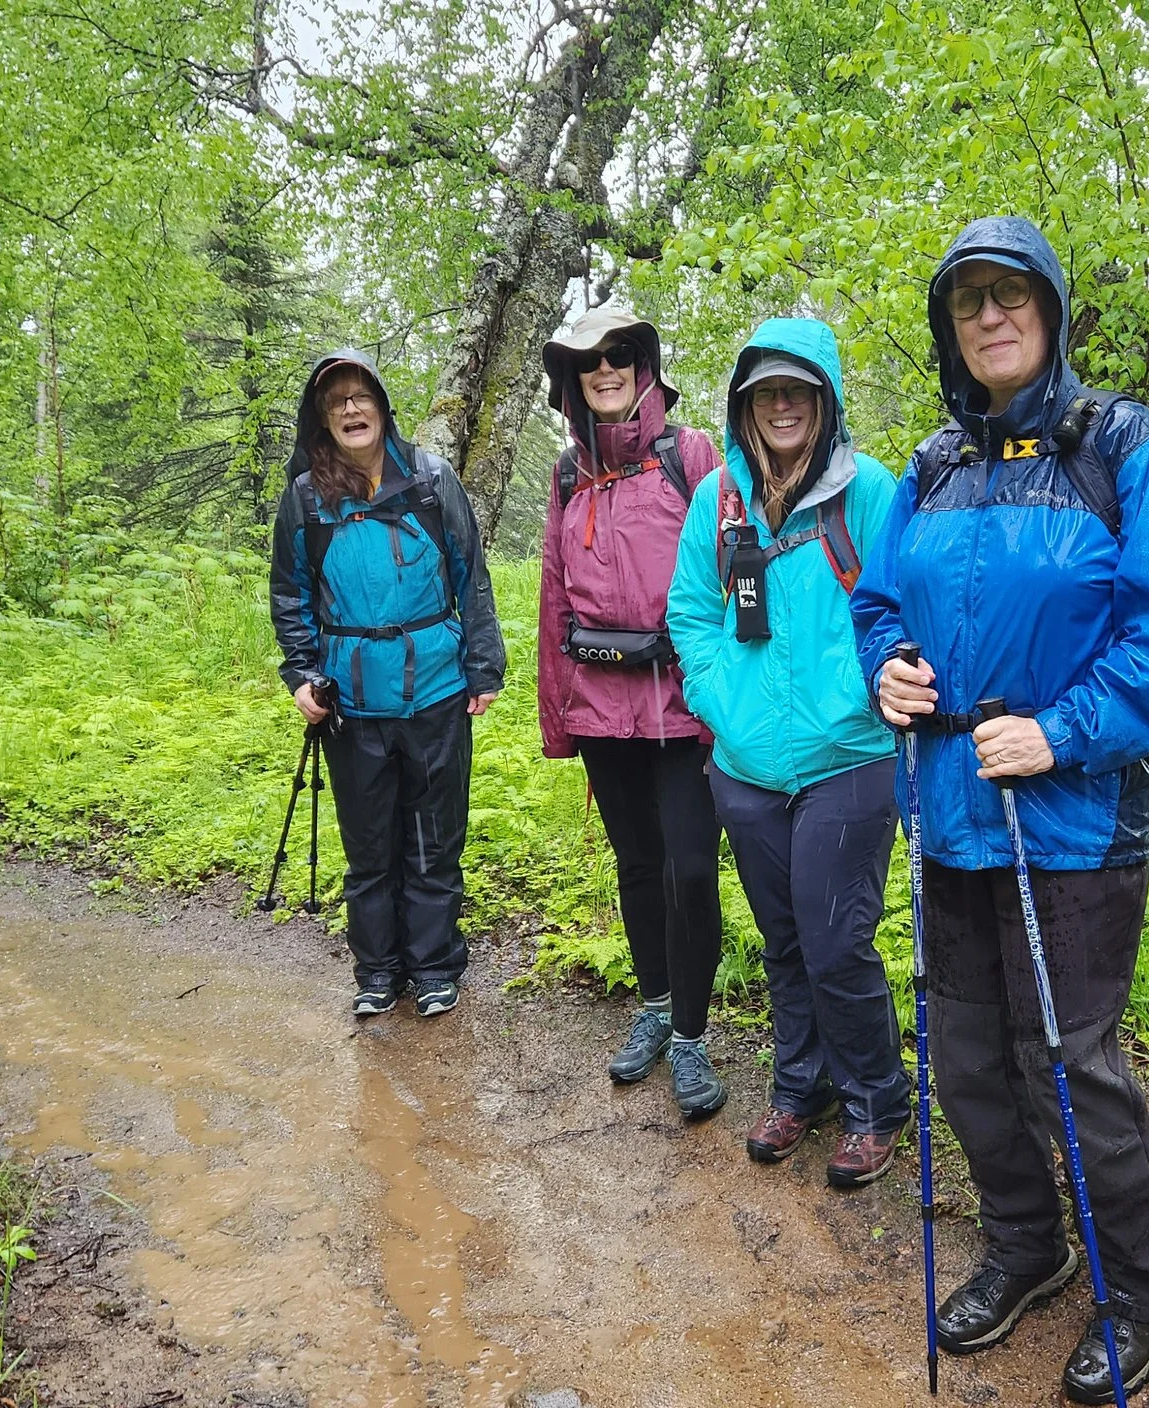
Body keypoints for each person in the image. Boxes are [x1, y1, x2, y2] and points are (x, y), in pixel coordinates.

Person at [854, 216, 1149, 1403]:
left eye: (1012, 295)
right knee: (964, 1061)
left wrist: (1061, 731)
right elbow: (881, 604)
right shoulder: (930, 466)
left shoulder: (1121, 443)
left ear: (1051, 310)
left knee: (1070, 1063)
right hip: (948, 809)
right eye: (969, 303)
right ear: (948, 330)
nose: (991, 316)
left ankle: (1139, 1295)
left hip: (1073, 821)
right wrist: (889, 665)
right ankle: (1026, 1245)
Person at [664, 317, 909, 1189]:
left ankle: (879, 1096)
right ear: (743, 406)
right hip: (746, 766)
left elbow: (904, 607)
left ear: (826, 400)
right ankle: (801, 1087)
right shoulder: (716, 503)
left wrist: (869, 690)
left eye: (798, 391)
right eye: (766, 392)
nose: (781, 406)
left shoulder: (870, 493)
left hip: (850, 756)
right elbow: (691, 611)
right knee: (784, 941)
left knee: (836, 940)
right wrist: (717, 699)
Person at [270, 349, 504, 1021]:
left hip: (434, 690)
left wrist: (483, 665)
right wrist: (302, 672)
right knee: (370, 847)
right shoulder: (307, 499)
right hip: (351, 701)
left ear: (381, 406)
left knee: (433, 840)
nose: (350, 408)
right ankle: (377, 970)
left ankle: (433, 967)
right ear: (321, 419)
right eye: (335, 400)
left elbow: (470, 574)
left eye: (359, 395)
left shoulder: (432, 481)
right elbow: (291, 593)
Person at [537, 308, 728, 1120]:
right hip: (601, 708)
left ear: (643, 363)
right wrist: (558, 720)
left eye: (619, 354)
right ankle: (653, 1008)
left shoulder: (689, 458)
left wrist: (728, 706)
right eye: (589, 362)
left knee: (690, 870)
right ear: (572, 383)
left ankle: (690, 1036)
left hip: (684, 708)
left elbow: (728, 578)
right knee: (639, 868)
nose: (605, 369)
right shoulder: (564, 477)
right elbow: (553, 597)